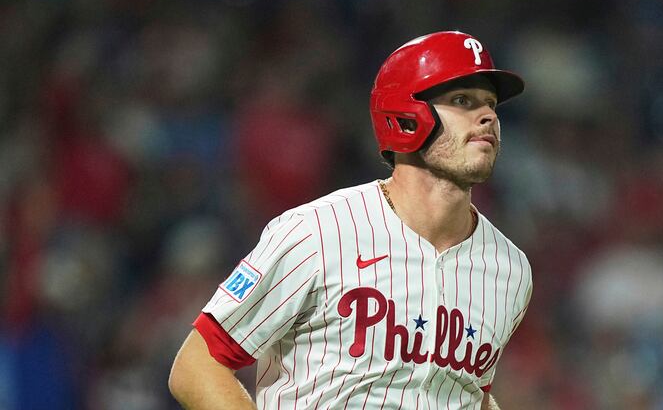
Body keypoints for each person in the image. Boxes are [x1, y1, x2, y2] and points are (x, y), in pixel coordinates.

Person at [169, 30, 533, 410]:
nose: (488, 115)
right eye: (463, 100)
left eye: (491, 104)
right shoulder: (318, 233)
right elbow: (197, 364)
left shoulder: (510, 269)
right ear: (406, 117)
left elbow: (469, 393)